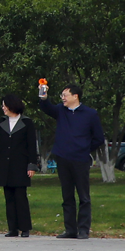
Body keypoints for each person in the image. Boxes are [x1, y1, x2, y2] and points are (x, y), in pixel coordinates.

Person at [39, 83, 104, 239]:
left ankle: (83, 229)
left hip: (81, 159)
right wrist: (43, 96)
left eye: (65, 95)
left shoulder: (90, 114)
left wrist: (84, 148)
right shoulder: (61, 111)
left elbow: (99, 138)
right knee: (67, 195)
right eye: (62, 95)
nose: (63, 98)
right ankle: (70, 229)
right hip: (63, 157)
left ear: (76, 96)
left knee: (83, 196)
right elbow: (47, 108)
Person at [0, 94, 38, 237]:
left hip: (20, 165)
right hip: (5, 165)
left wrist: (32, 165)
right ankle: (12, 228)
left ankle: (25, 227)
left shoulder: (27, 123)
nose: (3, 108)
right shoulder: (1, 122)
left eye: (5, 105)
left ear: (12, 105)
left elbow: (31, 145)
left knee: (20, 197)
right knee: (8, 197)